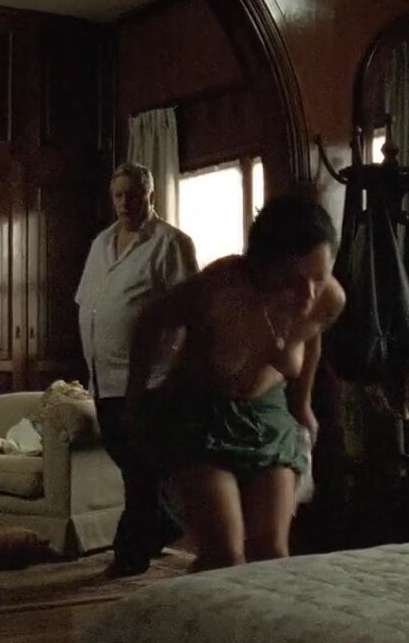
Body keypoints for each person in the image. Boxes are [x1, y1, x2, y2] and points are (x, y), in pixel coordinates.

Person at [124, 193, 346, 572]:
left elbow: (312, 335)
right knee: (224, 555)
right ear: (266, 266)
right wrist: (136, 397)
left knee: (271, 553)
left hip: (266, 414)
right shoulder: (221, 285)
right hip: (201, 415)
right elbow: (149, 320)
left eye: (318, 278)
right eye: (294, 281)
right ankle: (196, 608)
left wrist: (303, 403)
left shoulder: (329, 300)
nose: (309, 295)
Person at [76, 163, 199, 578]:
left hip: (148, 380)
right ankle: (167, 524)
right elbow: (88, 302)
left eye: (133, 195)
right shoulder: (101, 243)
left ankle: (129, 554)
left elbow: (188, 311)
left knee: (140, 469)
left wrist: (178, 372)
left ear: (150, 195)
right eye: (118, 195)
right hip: (104, 378)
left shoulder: (170, 243)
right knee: (127, 458)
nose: (125, 203)